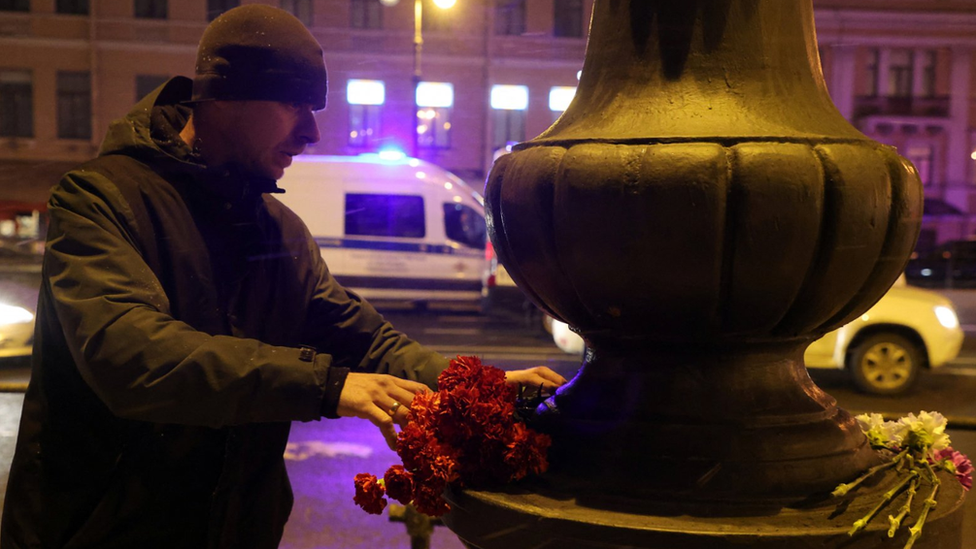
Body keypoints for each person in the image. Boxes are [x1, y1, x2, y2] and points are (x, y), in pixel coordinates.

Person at [0, 5, 565, 548]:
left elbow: (365, 340)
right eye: (294, 105)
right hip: (98, 536)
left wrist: (474, 389)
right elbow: (129, 354)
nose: (311, 133)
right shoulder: (101, 198)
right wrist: (327, 385)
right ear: (221, 96)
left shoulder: (278, 228)